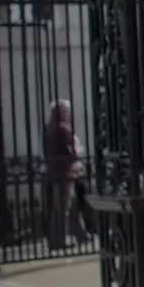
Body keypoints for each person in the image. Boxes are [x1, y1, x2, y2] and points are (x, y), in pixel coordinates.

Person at [43, 99, 88, 249]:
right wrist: (79, 150)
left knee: (67, 206)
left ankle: (81, 234)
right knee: (63, 208)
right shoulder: (63, 129)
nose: (69, 114)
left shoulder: (49, 128)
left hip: (55, 172)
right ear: (61, 112)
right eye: (67, 111)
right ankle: (60, 240)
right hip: (65, 172)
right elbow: (72, 152)